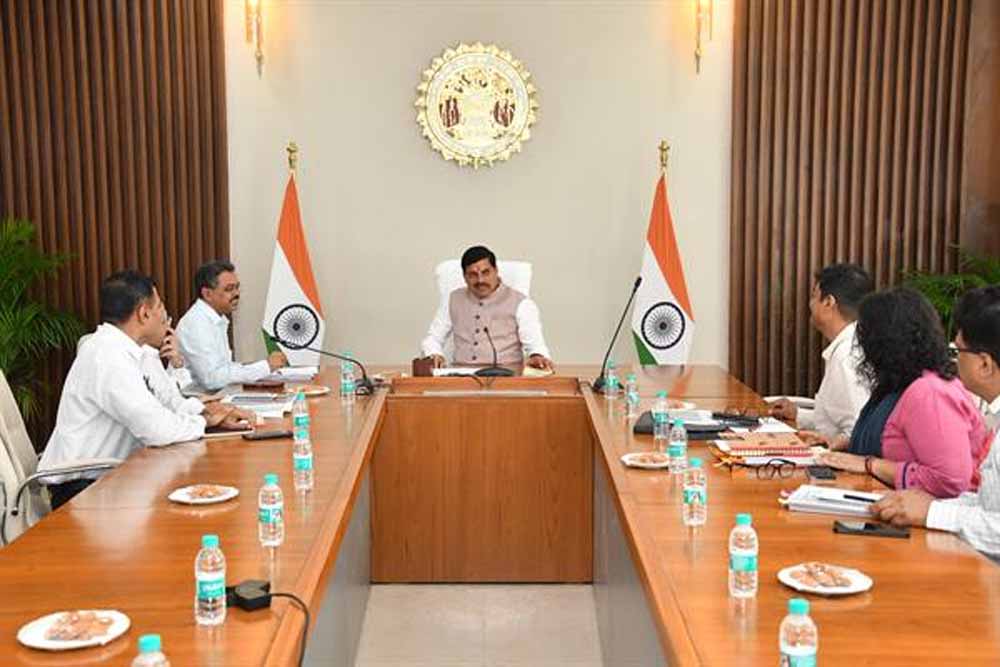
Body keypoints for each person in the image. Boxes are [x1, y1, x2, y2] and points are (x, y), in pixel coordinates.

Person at [37, 271, 248, 509]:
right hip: (83, 490)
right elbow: (155, 428)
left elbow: (171, 401)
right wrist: (205, 421)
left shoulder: (140, 352)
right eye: (160, 307)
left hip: (118, 476)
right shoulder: (106, 355)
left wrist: (210, 413)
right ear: (144, 313)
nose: (166, 317)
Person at [819, 287, 987, 498]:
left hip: (931, 513)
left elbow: (950, 480)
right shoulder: (899, 383)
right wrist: (844, 443)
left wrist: (870, 464)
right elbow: (898, 439)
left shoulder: (930, 392)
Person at [871, 286, 1000, 559]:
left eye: (959, 350)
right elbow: (989, 506)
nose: (954, 358)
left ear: (985, 365)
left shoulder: (930, 390)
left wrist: (932, 512)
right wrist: (927, 504)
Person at [769, 264, 872, 442]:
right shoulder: (852, 344)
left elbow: (857, 431)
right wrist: (797, 414)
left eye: (813, 296)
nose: (810, 304)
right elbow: (833, 421)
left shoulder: (845, 356)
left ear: (828, 302)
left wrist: (824, 445)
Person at [421, 246, 553, 370]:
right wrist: (434, 354)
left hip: (506, 376)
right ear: (464, 276)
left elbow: (536, 345)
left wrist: (537, 356)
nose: (480, 280)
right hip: (461, 376)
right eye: (473, 274)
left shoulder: (521, 303)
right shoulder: (452, 299)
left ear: (496, 271)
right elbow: (433, 338)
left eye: (486, 272)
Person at [176, 260, 287, 390]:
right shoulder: (196, 323)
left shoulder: (216, 319)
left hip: (215, 394)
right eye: (229, 289)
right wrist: (265, 367)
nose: (236, 294)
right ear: (207, 294)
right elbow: (212, 379)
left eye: (237, 287)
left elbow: (225, 368)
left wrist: (262, 367)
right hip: (195, 398)